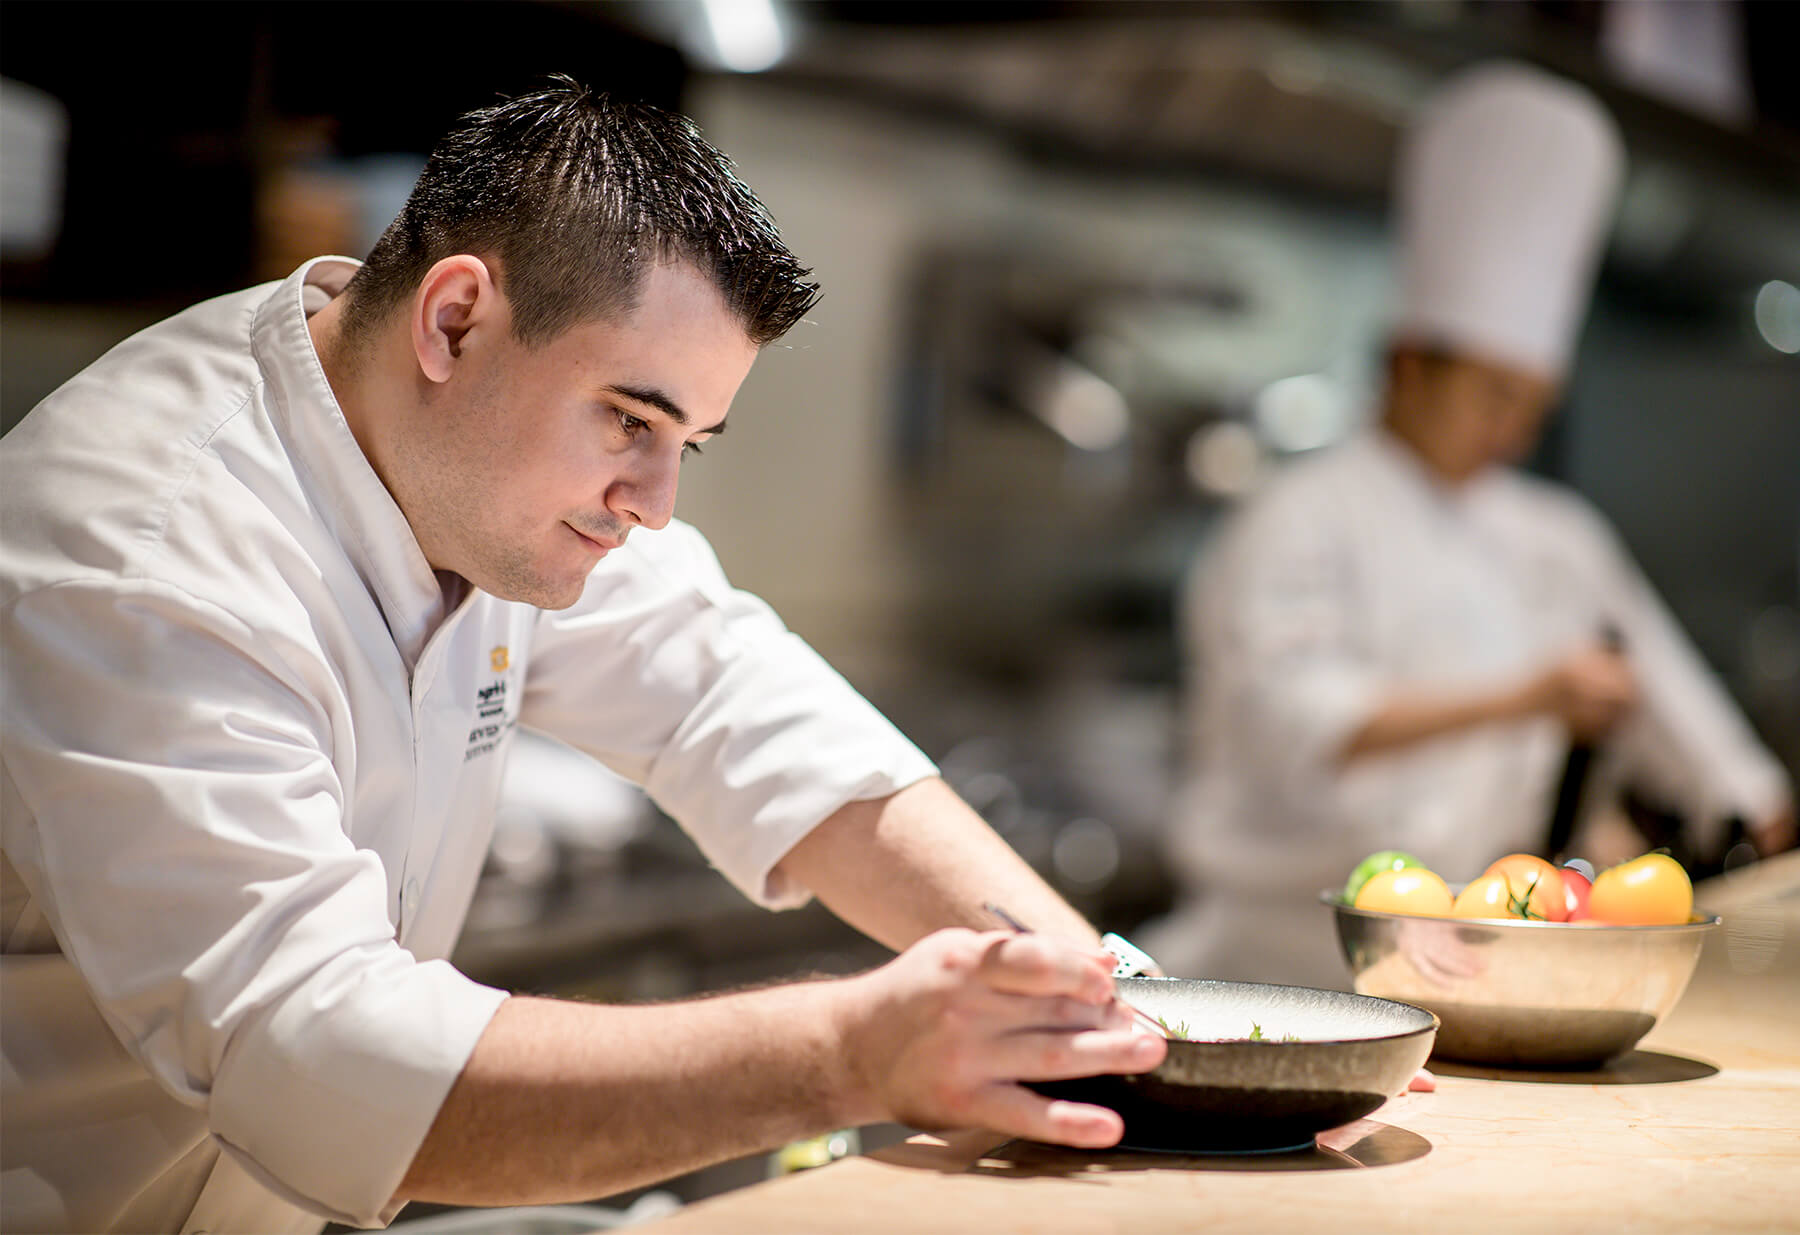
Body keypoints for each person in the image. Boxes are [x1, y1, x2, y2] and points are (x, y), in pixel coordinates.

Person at [0, 80, 1169, 1233]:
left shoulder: (462, 461)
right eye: (629, 419)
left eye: (688, 445)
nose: (653, 505)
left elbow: (725, 691)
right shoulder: (145, 558)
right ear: (454, 320)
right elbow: (311, 1046)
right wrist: (847, 1051)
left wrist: (1095, 999)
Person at [1141, 61, 1796, 991]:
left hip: (1487, 971)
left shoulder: (1558, 533)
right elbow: (1303, 725)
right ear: (1408, 363)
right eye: (1493, 392)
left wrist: (1752, 809)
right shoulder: (1292, 519)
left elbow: (1699, 742)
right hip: (1284, 971)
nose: (1514, 429)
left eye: (1535, 403)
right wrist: (1529, 695)